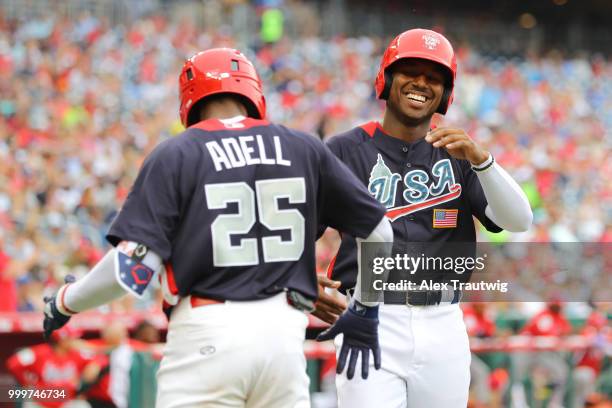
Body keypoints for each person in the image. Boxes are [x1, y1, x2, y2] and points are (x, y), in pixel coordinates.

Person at [42, 47, 393, 408]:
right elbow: (381, 231)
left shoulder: (176, 152)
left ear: (189, 100)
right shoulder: (304, 146)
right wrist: (366, 310)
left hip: (206, 335)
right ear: (253, 91)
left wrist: (65, 302)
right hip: (283, 339)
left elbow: (130, 271)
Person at [318, 28, 533, 407]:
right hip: (371, 316)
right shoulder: (344, 149)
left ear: (446, 93)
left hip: (443, 319)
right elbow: (297, 230)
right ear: (386, 78)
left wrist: (483, 161)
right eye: (410, 71)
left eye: (434, 77)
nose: (421, 83)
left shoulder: (459, 153)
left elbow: (519, 220)